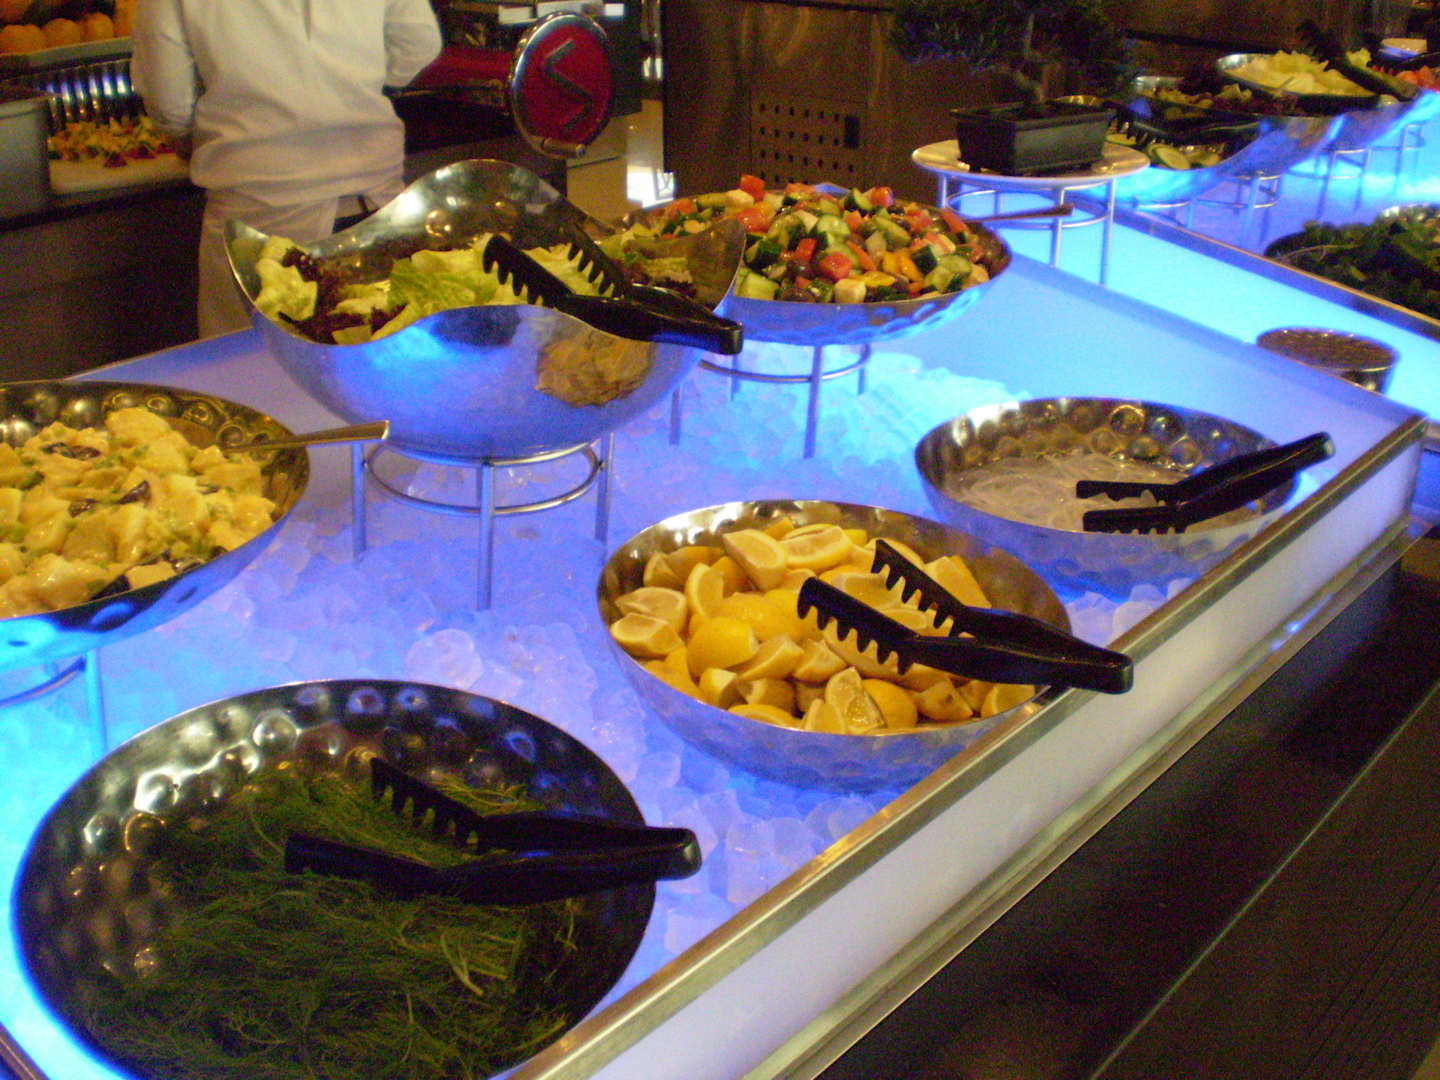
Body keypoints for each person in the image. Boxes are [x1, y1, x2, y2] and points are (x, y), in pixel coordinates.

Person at [131, 0, 443, 338]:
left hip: (257, 220)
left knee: (249, 363)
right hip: (375, 201)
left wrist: (185, 133)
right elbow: (418, 43)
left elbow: (168, 97)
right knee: (385, 357)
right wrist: (350, 86)